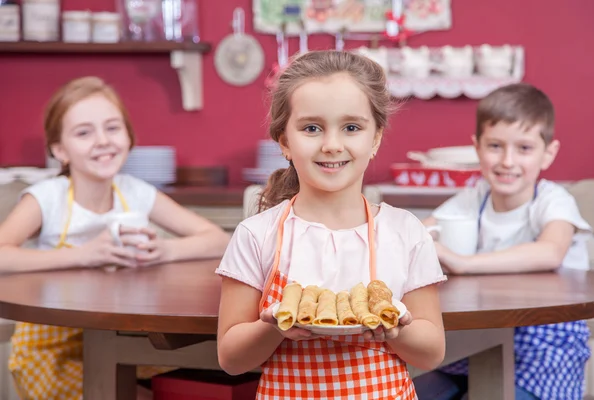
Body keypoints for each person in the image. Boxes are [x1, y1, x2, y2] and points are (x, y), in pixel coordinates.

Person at [216, 50, 447, 399]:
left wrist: (396, 330)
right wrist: (275, 326)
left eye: (351, 127)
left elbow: (432, 352)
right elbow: (231, 358)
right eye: (312, 128)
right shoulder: (257, 235)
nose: (332, 145)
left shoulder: (404, 231)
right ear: (284, 142)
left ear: (376, 139)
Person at [0, 76, 231, 400]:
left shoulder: (134, 192)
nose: (102, 141)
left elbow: (217, 240)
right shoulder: (47, 198)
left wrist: (164, 250)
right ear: (60, 150)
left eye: (112, 127)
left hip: (125, 336)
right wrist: (85, 255)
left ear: (128, 136)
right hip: (50, 349)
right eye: (84, 132)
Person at [415, 83, 593, 400]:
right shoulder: (474, 199)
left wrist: (464, 263)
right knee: (409, 391)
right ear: (477, 148)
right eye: (495, 146)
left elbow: (551, 251)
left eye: (524, 149)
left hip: (545, 350)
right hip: (477, 338)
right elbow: (418, 231)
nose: (507, 161)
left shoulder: (552, 200)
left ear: (547, 154)